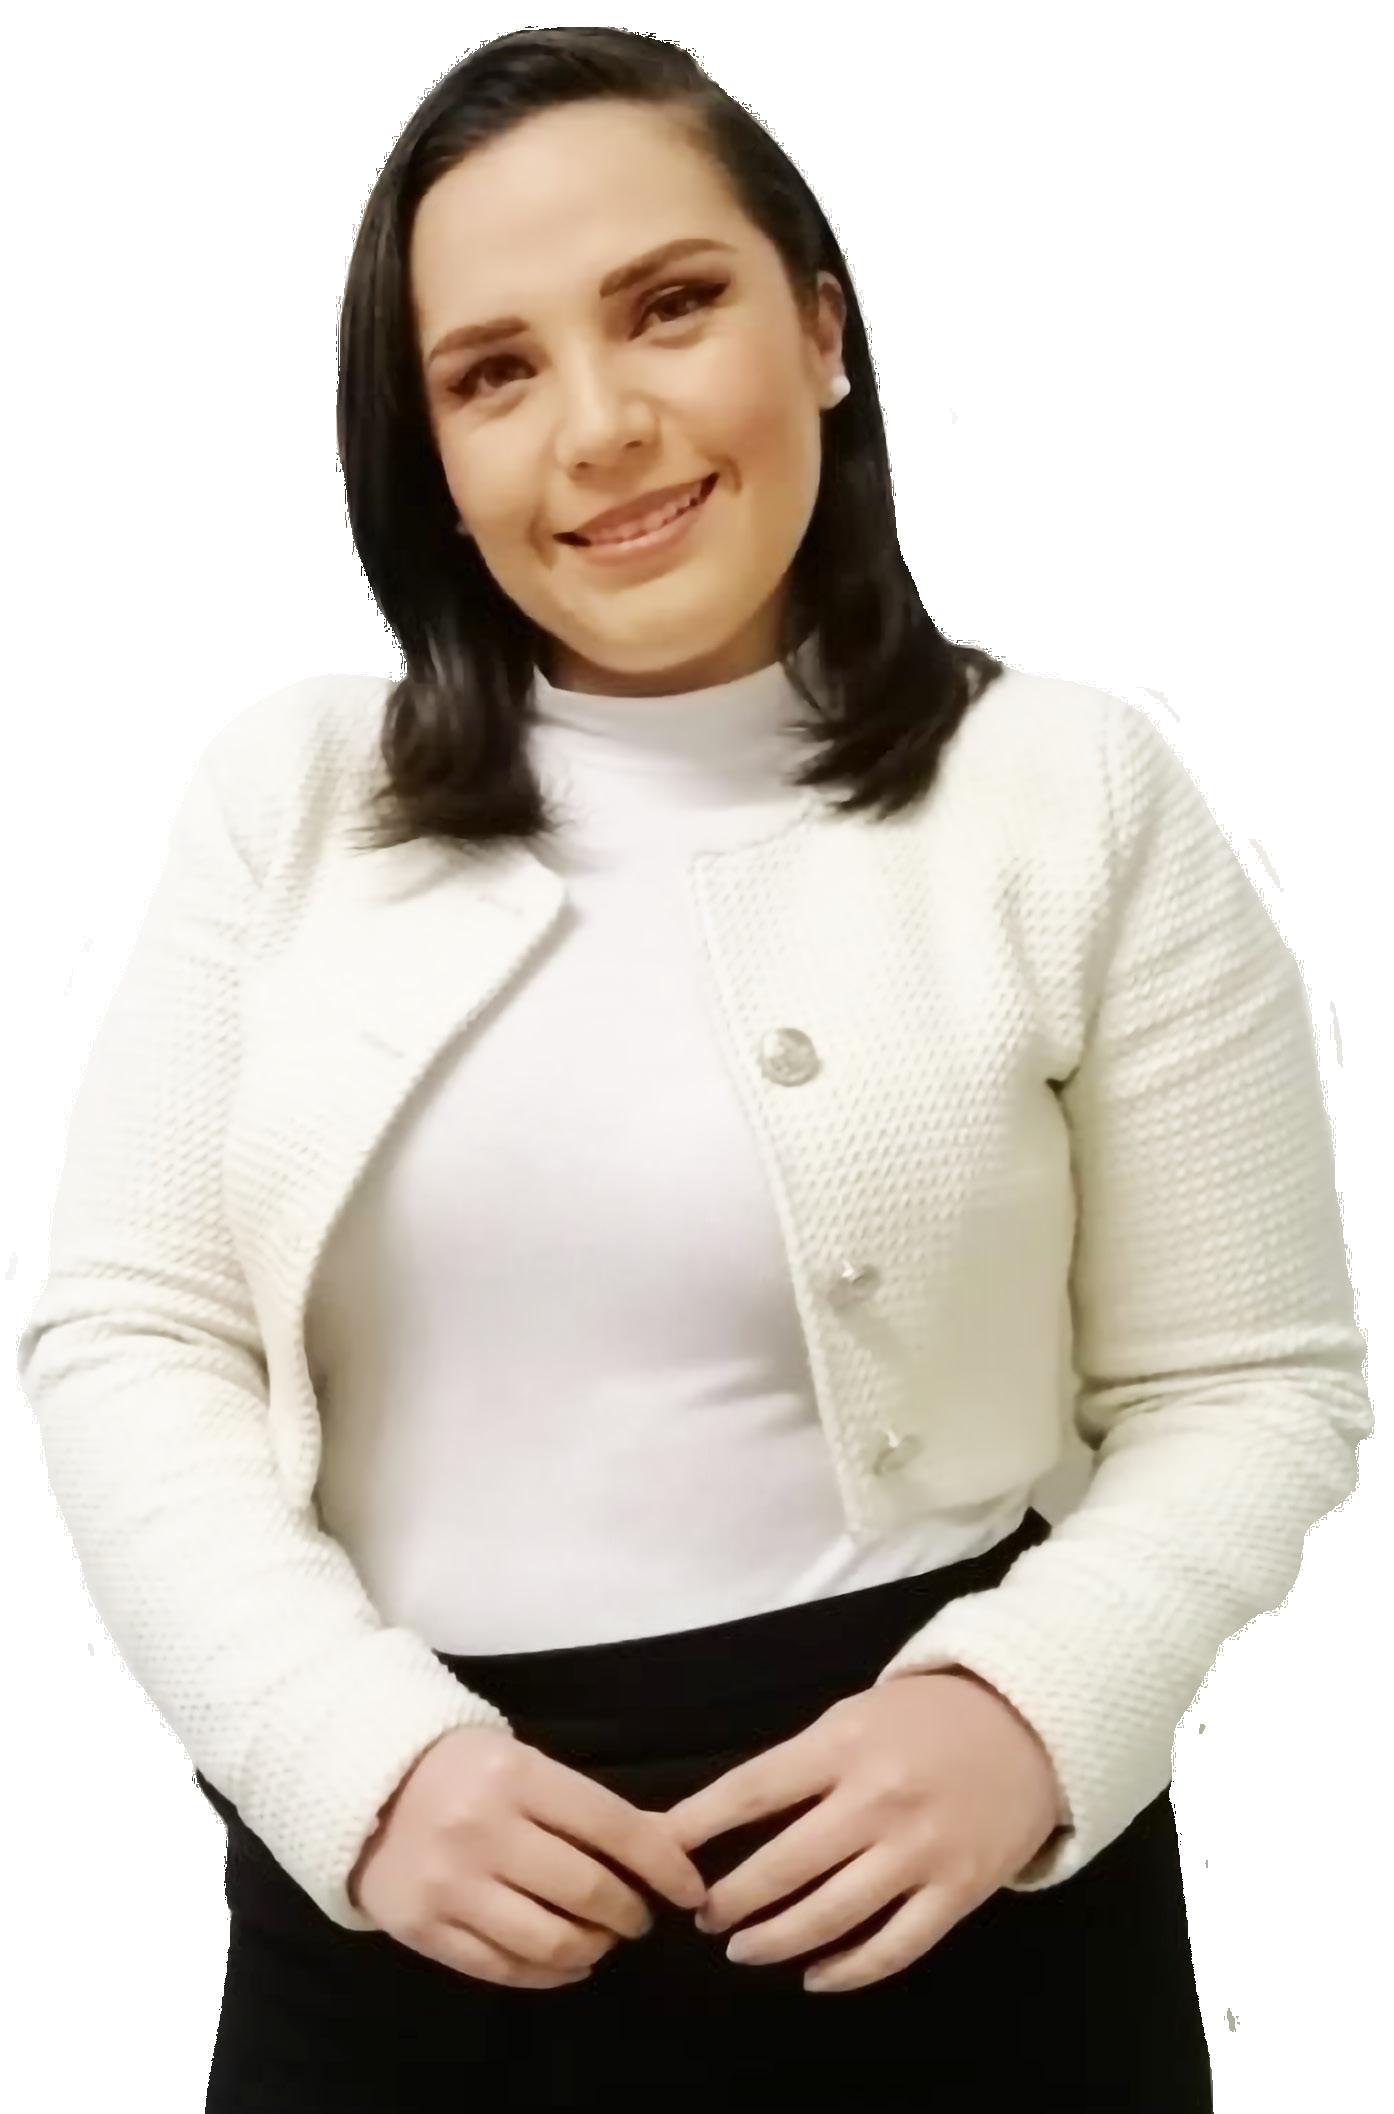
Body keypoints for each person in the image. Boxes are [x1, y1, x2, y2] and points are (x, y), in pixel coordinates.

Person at [16, 26, 1371, 2113]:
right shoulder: (287, 800)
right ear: (428, 457)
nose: (601, 427)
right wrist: (349, 1756)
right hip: (407, 1900)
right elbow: (130, 1334)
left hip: (949, 1893)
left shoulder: (1069, 791)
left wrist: (1028, 1707)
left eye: (668, 305)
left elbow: (1248, 1380)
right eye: (493, 372)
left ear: (821, 329)